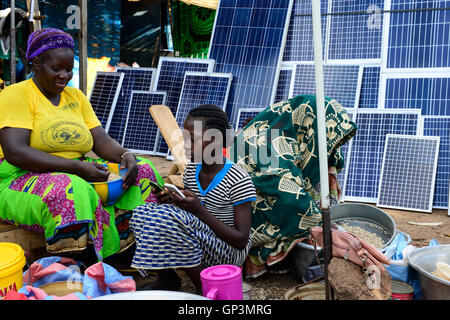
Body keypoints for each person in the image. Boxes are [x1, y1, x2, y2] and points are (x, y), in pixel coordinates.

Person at [0, 28, 164, 260]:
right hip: (20, 176)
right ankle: (79, 268)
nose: (64, 76)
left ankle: (133, 255)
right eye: (56, 68)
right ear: (36, 63)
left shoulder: (75, 97)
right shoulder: (17, 94)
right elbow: (16, 152)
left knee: (143, 169)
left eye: (69, 69)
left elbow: (101, 140)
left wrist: (126, 154)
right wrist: (77, 169)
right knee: (72, 189)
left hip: (74, 169)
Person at [130, 105, 256, 293]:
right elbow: (189, 218)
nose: (185, 145)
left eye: (193, 139)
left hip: (229, 252)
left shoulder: (238, 180)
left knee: (167, 218)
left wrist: (198, 210)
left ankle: (204, 286)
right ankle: (168, 278)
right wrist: (172, 200)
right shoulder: (191, 171)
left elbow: (240, 241)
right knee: (143, 213)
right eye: (184, 138)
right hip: (202, 242)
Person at [229, 95, 357, 278]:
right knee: (308, 213)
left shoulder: (289, 124)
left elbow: (333, 157)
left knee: (325, 170)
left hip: (275, 191)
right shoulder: (271, 146)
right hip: (249, 210)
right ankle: (267, 254)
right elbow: (291, 199)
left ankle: (299, 245)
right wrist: (333, 229)